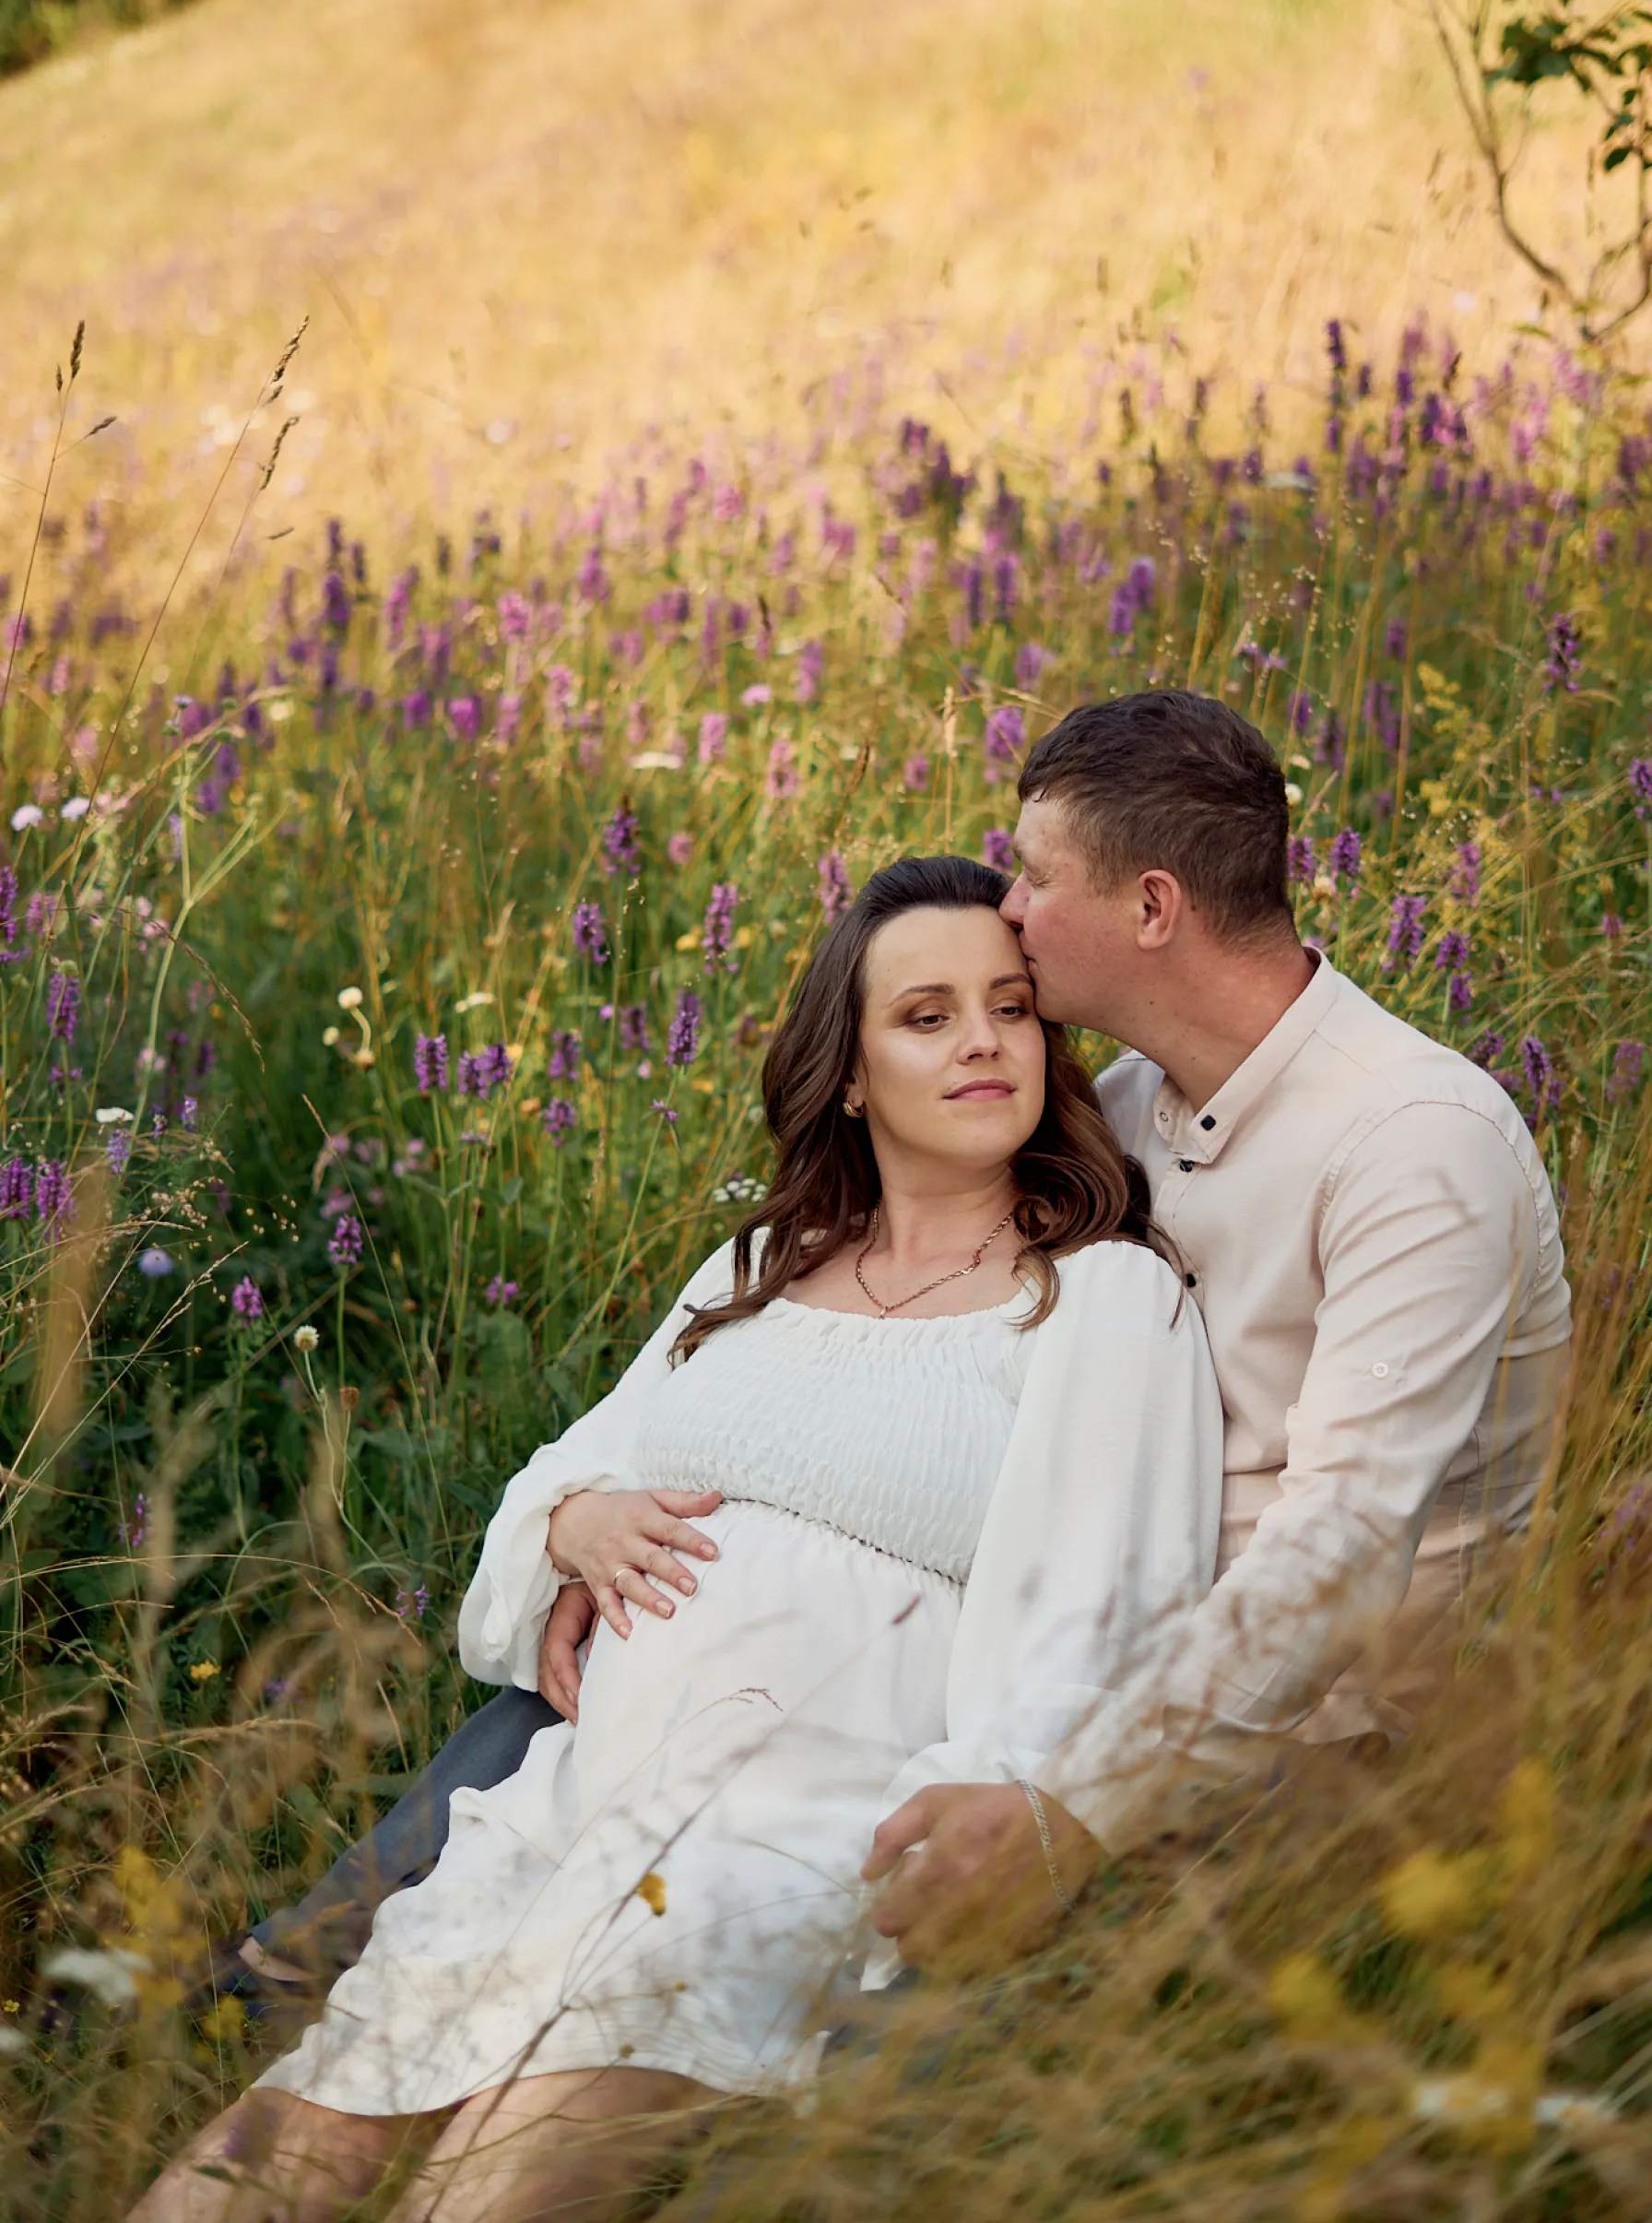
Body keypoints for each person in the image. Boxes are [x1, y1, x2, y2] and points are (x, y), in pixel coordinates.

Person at [136, 854, 1222, 2223]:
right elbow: (563, 1484)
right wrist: (575, 1525)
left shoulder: (1101, 1297)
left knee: (484, 2187)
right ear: (849, 1072)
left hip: (791, 1848)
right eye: (927, 1015)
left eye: (1010, 1007)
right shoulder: (761, 1270)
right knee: (280, 2147)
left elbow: (1102, 1623)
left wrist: (954, 1866)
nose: (982, 1042)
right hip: (581, 1805)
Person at [863, 691, 1571, 1957]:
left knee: (883, 1963)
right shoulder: (1127, 1103)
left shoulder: (1416, 1145)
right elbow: (921, 1324)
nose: (1009, 908)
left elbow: (1339, 1552)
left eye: (1036, 875)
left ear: (1152, 908)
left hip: (1319, 1749)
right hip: (1074, 1656)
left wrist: (1073, 1812)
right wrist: (599, 1507)